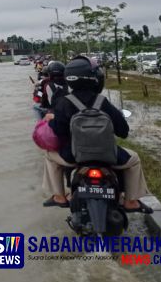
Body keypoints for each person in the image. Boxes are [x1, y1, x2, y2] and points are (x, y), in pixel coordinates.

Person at [41, 55, 152, 212]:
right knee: (133, 160)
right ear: (93, 78)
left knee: (49, 155)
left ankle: (59, 197)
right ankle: (131, 201)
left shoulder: (63, 102)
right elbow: (124, 132)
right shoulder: (102, 101)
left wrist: (52, 120)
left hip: (74, 157)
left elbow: (58, 133)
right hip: (109, 156)